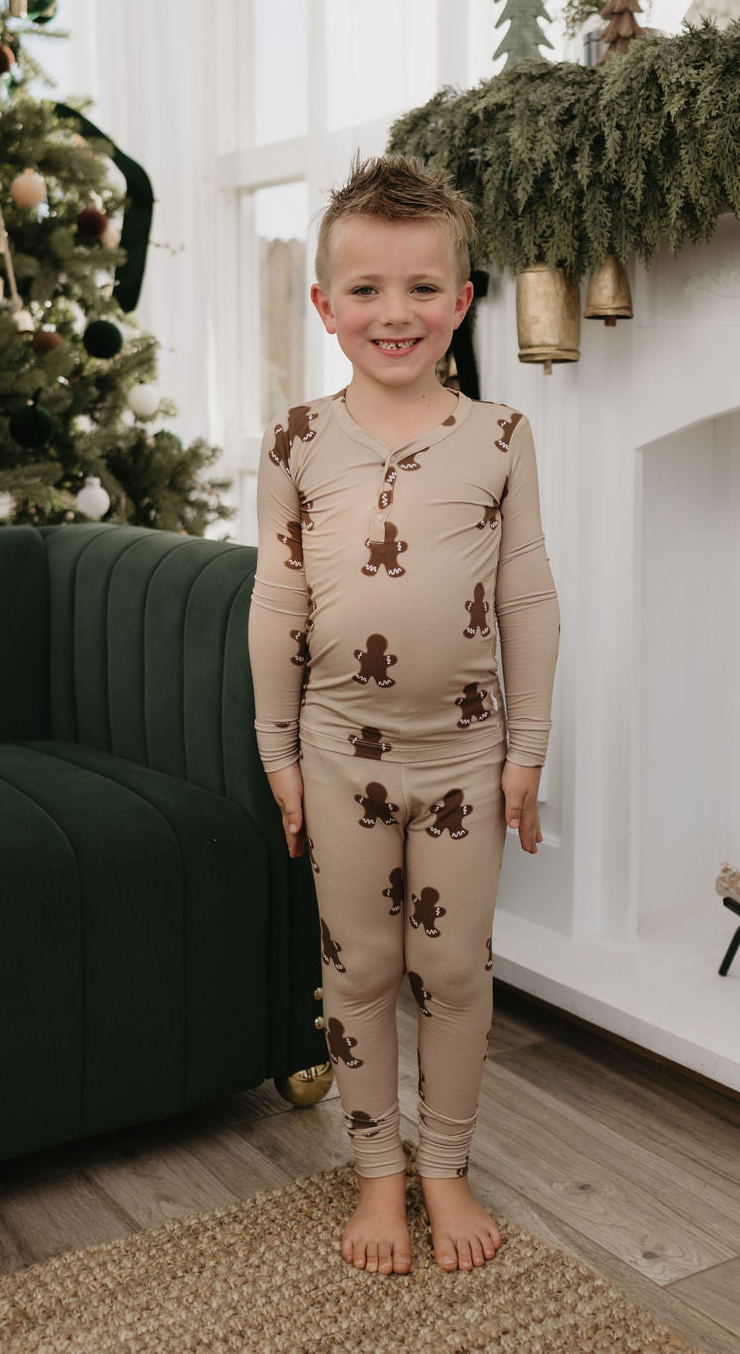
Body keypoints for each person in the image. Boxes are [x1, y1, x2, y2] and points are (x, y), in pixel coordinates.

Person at [248, 154, 559, 1276]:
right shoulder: (295, 440)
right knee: (360, 966)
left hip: (468, 754)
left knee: (457, 965)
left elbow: (526, 592)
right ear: (326, 308)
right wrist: (273, 747)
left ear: (463, 301)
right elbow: (278, 597)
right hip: (337, 753)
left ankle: (445, 1160)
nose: (397, 313)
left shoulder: (499, 437)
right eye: (367, 290)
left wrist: (526, 749)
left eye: (423, 287)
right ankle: (379, 1170)